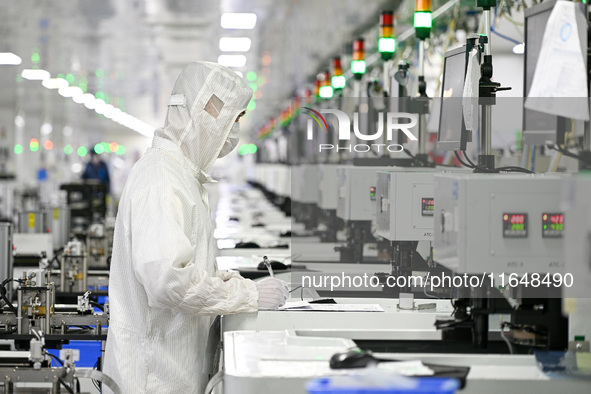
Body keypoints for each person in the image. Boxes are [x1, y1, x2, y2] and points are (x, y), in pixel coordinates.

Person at [103, 62, 289, 394]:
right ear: (207, 114)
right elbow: (167, 282)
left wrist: (227, 281)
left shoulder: (182, 176)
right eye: (233, 119)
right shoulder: (160, 178)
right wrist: (247, 295)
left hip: (173, 373)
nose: (233, 132)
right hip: (152, 380)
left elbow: (186, 266)